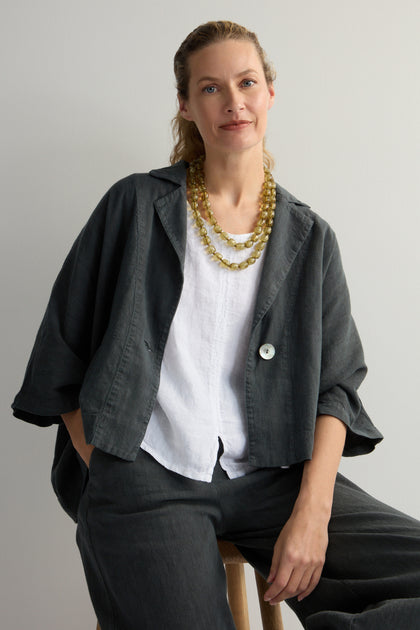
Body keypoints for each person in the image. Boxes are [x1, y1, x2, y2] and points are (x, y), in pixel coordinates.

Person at [11, 20, 420, 630]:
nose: (233, 102)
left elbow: (337, 387)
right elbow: (59, 352)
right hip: (147, 473)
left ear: (270, 93)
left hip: (275, 475)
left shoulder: (310, 237)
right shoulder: (136, 207)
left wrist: (312, 510)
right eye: (210, 88)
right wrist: (106, 464)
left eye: (247, 82)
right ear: (185, 104)